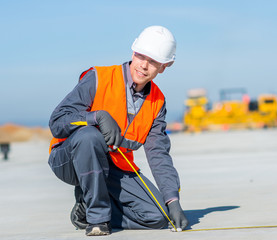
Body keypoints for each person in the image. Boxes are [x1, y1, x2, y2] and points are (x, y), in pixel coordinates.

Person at [48, 26, 188, 236]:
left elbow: (158, 154)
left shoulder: (157, 102)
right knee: (89, 135)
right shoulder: (99, 78)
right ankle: (98, 220)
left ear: (164, 66)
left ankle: (85, 210)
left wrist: (172, 199)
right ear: (133, 52)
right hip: (70, 159)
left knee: (157, 217)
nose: (144, 65)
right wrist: (95, 117)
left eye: (153, 61)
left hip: (113, 165)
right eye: (141, 56)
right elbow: (57, 121)